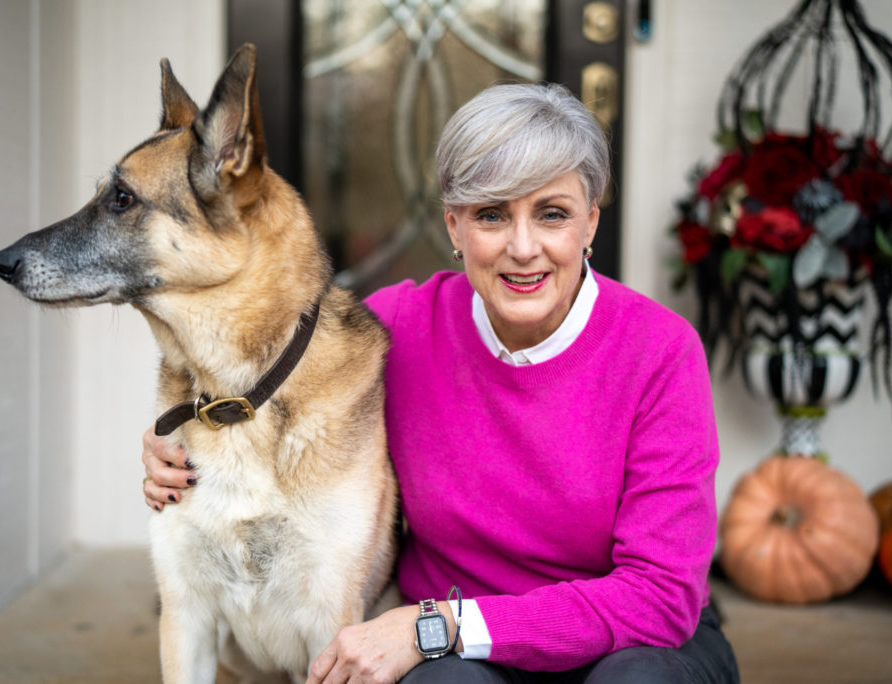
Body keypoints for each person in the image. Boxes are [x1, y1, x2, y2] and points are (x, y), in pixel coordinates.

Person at [141, 82, 740, 683]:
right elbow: (255, 393)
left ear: (590, 223)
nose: (523, 247)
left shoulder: (660, 352)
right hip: (460, 658)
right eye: (491, 215)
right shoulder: (392, 328)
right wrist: (181, 437)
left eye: (552, 214)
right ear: (454, 227)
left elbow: (659, 597)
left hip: (624, 644)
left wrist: (441, 626)